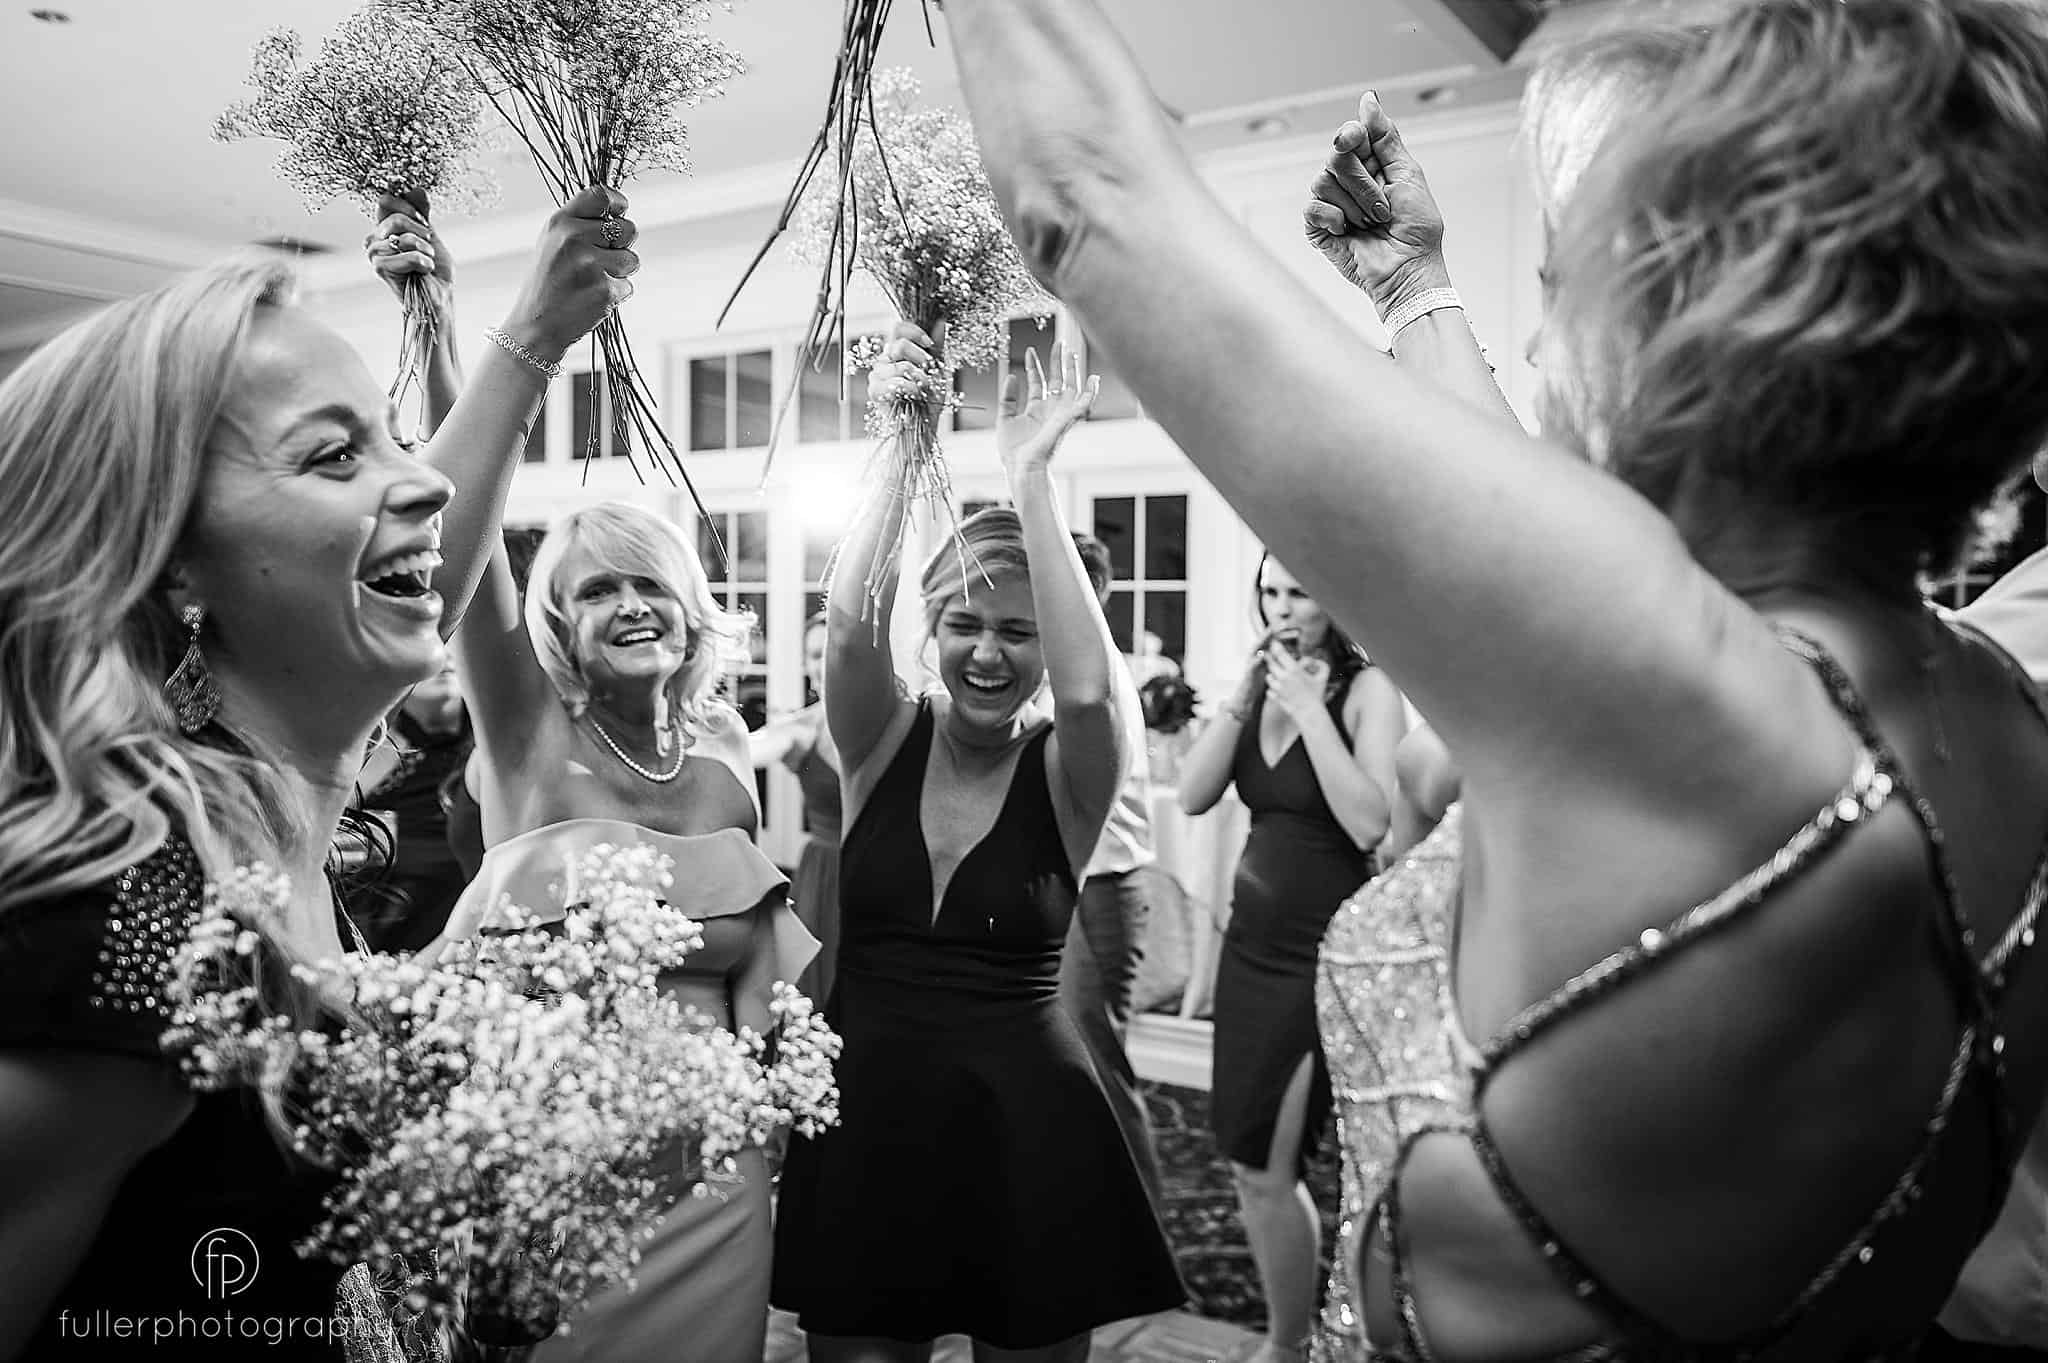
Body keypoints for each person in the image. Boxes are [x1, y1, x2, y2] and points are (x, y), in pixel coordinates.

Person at [935, 0, 2048, 1356]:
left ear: (1697, 334)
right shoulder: (1997, 704)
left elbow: (1084, 189)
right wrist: (1413, 290)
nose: (1538, 345)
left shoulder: (1669, 702)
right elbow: (1557, 547)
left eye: (1567, 286)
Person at [0, 188, 633, 1360]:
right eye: (333, 452)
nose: (426, 485)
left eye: (392, 436)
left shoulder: (261, 837)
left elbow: (390, 561)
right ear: (174, 561)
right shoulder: (137, 909)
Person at [365, 205, 816, 1363]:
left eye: (648, 584)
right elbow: (452, 531)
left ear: (687, 605)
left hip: (714, 1167)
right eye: (596, 591)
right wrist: (447, 325)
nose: (629, 607)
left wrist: (761, 1102)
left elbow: (758, 973)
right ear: (557, 622)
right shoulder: (526, 735)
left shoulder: (722, 756)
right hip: (548, 1155)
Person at [771, 327, 1184, 1363]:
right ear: (933, 628)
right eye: (964, 623)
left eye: (1018, 630)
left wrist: (1029, 478)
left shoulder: (1068, 766)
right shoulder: (878, 738)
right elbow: (846, 616)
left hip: (1027, 1120)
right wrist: (904, 436)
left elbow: (1091, 690)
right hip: (869, 1103)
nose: (987, 652)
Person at [1176, 554, 1402, 1363]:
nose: (1281, 609)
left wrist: (1310, 709)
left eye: (1299, 592)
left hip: (1319, 957)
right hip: (1248, 952)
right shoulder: (1255, 685)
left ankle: (1286, 1341)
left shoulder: (1366, 692)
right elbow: (1193, 792)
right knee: (1244, 1159)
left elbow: (1373, 821)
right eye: (1269, 592)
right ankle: (1288, 1332)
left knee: (1272, 1162)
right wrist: (1243, 700)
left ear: (1332, 600)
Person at [1061, 530, 1168, 1215]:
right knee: (1074, 1065)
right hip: (1082, 888)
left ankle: (1141, 1228)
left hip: (1100, 891)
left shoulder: (1091, 676)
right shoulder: (1068, 669)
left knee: (1097, 1064)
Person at [750, 611, 843, 1004]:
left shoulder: (895, 723)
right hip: (828, 878)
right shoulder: (799, 730)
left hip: (884, 875)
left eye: (832, 652)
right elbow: (740, 753)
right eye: (814, 655)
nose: (824, 665)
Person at [354, 658, 473, 953]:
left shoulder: (496, 744)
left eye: (452, 637)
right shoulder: (367, 753)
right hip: (395, 948)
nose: (445, 654)